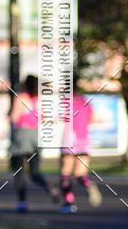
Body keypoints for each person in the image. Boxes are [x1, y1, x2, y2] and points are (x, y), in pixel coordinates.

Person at [10, 74, 57, 213]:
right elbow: (45, 118)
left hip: (22, 135)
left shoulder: (21, 98)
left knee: (19, 172)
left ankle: (22, 203)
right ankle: (50, 188)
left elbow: (14, 117)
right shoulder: (39, 100)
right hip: (36, 136)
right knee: (34, 172)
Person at [59, 78, 101, 213]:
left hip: (69, 140)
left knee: (65, 173)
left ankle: (68, 203)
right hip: (84, 141)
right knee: (80, 174)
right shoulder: (85, 101)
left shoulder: (65, 102)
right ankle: (89, 184)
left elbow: (59, 118)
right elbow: (92, 119)